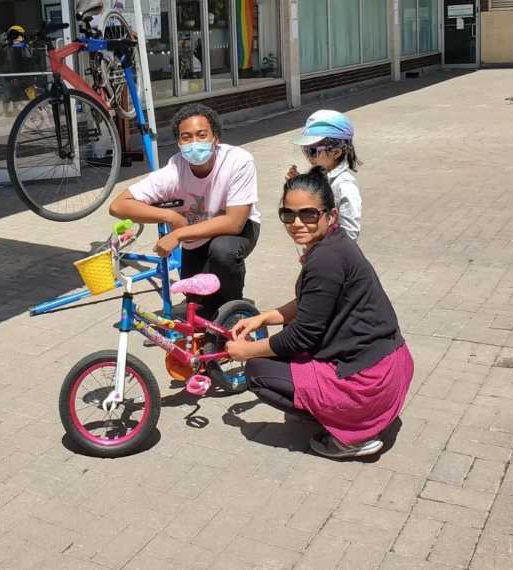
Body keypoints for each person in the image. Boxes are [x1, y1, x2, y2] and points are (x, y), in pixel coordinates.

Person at [225, 167, 413, 459]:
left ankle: (350, 436)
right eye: (288, 215)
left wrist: (246, 351)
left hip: (369, 383)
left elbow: (302, 337)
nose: (297, 223)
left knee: (257, 371)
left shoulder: (325, 258)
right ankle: (340, 414)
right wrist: (265, 316)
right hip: (386, 365)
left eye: (308, 214)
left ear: (331, 215)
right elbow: (313, 304)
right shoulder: (334, 243)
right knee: (281, 343)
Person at [109, 103, 260, 318]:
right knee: (196, 306)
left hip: (238, 229)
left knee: (222, 252)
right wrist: (169, 216)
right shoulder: (174, 171)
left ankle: (233, 311)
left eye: (201, 135)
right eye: (186, 137)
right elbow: (118, 205)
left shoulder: (238, 161)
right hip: (195, 234)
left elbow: (234, 222)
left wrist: (178, 233)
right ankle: (211, 312)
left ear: (215, 138)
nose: (194, 143)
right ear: (179, 142)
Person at [287, 109, 362, 241]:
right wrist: (299, 185)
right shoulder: (320, 175)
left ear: (336, 152)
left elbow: (350, 232)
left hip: (333, 254)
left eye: (312, 151)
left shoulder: (344, 185)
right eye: (305, 150)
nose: (309, 157)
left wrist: (328, 253)